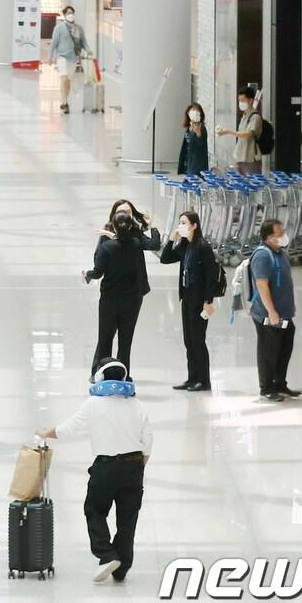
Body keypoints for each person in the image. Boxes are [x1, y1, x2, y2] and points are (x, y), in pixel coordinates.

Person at [36, 357, 153, 584]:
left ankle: (106, 554)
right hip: (134, 466)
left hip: (105, 468)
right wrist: (140, 464)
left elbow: (69, 428)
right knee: (128, 519)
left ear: (99, 378)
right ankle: (121, 567)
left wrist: (46, 432)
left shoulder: (93, 404)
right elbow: (148, 437)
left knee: (95, 510)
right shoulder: (137, 405)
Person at [83, 205, 161, 379]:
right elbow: (155, 244)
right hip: (132, 299)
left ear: (114, 226)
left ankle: (101, 372)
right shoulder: (136, 244)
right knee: (125, 341)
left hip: (110, 299)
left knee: (105, 337)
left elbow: (98, 272)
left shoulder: (106, 247)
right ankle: (124, 374)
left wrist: (86, 274)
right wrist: (150, 226)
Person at [158, 211, 220, 391]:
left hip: (200, 299)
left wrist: (209, 301)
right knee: (188, 340)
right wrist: (172, 239)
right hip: (187, 297)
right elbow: (165, 259)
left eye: (184, 223)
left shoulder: (203, 247)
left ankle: (204, 380)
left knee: (198, 340)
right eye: (180, 223)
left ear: (194, 225)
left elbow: (211, 276)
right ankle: (192, 377)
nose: (181, 226)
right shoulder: (185, 246)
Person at [249, 219, 299, 401]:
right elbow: (262, 285)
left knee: (284, 348)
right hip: (268, 314)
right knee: (268, 351)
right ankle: (267, 387)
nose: (284, 235)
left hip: (285, 313)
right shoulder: (263, 256)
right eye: (280, 232)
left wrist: (290, 304)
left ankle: (280, 383)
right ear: (269, 237)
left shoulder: (281, 253)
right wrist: (271, 311)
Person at [48, 5, 91, 114]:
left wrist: (88, 50)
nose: (70, 14)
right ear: (64, 15)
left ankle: (65, 102)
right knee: (64, 79)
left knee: (68, 81)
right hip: (62, 56)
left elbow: (83, 42)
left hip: (73, 58)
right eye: (68, 13)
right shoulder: (59, 28)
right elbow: (53, 43)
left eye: (72, 12)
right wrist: (50, 57)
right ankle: (63, 102)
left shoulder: (79, 28)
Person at [217, 86, 264, 175]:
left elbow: (247, 134)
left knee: (252, 184)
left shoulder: (255, 117)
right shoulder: (244, 116)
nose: (240, 103)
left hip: (250, 158)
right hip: (240, 157)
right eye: (239, 101)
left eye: (242, 100)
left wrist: (228, 131)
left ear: (250, 100)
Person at [177, 102, 210, 175]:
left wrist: (198, 132)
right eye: (192, 110)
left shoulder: (201, 128)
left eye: (197, 111)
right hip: (188, 161)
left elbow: (202, 143)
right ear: (188, 113)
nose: (194, 112)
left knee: (194, 183)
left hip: (197, 164)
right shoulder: (189, 128)